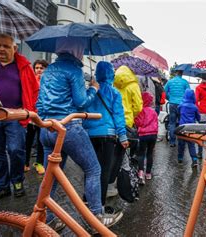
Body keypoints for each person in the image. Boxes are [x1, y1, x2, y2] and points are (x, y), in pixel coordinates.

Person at [37, 49, 121, 231]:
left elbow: (40, 103)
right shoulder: (73, 70)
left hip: (47, 128)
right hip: (68, 127)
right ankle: (95, 219)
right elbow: (82, 102)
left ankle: (46, 218)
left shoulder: (48, 71)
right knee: (93, 169)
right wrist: (93, 88)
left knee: (50, 176)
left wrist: (45, 123)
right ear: (75, 51)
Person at [0, 33, 39, 203]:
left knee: (15, 150)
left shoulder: (23, 66)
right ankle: (1, 186)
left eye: (5, 46)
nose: (0, 49)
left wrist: (28, 113)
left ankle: (17, 181)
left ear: (15, 48)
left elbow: (34, 91)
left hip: (15, 116)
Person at [84, 61, 128, 214]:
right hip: (107, 135)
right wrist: (122, 136)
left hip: (89, 135)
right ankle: (99, 207)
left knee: (90, 170)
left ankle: (86, 200)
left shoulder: (90, 90)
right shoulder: (114, 92)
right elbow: (118, 115)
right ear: (110, 74)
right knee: (103, 172)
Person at [109, 66, 143, 197]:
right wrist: (131, 115)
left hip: (112, 121)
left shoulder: (114, 81)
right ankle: (122, 183)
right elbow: (138, 106)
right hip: (126, 122)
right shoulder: (133, 84)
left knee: (112, 154)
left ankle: (110, 183)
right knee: (123, 153)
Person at [24, 59, 48, 174]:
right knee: (27, 140)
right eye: (37, 68)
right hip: (30, 115)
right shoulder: (30, 80)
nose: (39, 70)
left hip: (42, 115)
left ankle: (39, 163)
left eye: (41, 68)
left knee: (41, 141)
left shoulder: (48, 82)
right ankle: (25, 162)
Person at [134, 92, 159, 184]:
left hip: (143, 134)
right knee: (150, 153)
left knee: (141, 154)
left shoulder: (141, 110)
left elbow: (139, 123)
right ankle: (148, 173)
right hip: (153, 134)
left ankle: (140, 173)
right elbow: (157, 123)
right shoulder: (153, 112)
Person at [164, 70, 190, 147]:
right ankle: (181, 140)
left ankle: (172, 142)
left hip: (172, 104)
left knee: (172, 123)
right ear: (182, 74)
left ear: (175, 73)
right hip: (182, 105)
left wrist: (170, 98)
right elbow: (188, 93)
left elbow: (164, 92)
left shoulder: (170, 82)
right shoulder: (185, 82)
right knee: (182, 123)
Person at [177, 89, 200, 167]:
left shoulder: (181, 105)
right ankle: (194, 160)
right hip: (191, 128)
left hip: (182, 127)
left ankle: (180, 158)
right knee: (191, 145)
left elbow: (178, 113)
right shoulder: (195, 107)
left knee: (181, 144)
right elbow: (198, 118)